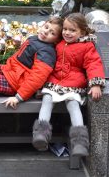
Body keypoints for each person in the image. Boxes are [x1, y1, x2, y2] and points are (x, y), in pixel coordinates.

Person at [32, 13, 105, 157]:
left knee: (73, 104)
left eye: (72, 30)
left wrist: (95, 84)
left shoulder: (86, 46)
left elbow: (93, 64)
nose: (67, 32)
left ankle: (79, 142)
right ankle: (41, 134)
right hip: (54, 82)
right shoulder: (59, 42)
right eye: (65, 29)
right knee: (47, 99)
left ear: (82, 32)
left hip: (74, 83)